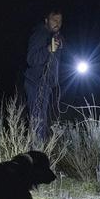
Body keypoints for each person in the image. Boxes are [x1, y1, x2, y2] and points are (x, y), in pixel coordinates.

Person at [24, 10, 64, 141]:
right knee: (37, 119)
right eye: (54, 20)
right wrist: (48, 50)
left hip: (45, 83)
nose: (57, 23)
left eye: (60, 20)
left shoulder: (55, 36)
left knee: (41, 118)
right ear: (46, 20)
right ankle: (36, 152)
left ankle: (38, 150)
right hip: (35, 83)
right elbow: (31, 59)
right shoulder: (40, 34)